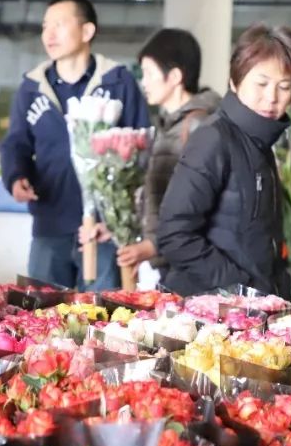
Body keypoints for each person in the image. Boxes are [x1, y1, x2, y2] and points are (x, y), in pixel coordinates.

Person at [0, 0, 149, 291]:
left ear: (87, 31)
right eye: (45, 26)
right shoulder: (32, 87)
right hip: (49, 223)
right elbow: (16, 142)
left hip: (104, 231)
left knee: (102, 318)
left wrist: (125, 221)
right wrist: (16, 177)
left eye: (59, 24)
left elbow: (140, 151)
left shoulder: (118, 83)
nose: (49, 34)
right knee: (42, 316)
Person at [157, 24, 291, 297]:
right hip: (214, 313)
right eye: (261, 84)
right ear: (235, 81)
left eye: (284, 87)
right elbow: (174, 235)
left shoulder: (259, 140)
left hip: (251, 310)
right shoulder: (214, 139)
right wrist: (240, 288)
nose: (271, 97)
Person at [79, 29, 220, 286]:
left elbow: (200, 207)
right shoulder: (166, 127)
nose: (143, 82)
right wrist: (117, 229)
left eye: (149, 73)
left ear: (175, 76)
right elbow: (157, 199)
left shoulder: (199, 125)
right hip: (166, 263)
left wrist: (153, 246)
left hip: (187, 268)